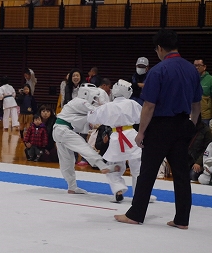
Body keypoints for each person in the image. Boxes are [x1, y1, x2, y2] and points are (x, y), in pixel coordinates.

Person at [114, 29, 202, 229]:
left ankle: (136, 214)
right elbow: (197, 104)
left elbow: (149, 106)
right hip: (183, 124)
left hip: (161, 125)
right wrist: (191, 125)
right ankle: (182, 219)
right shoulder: (191, 70)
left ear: (160, 48)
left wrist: (141, 132)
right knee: (181, 173)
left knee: (148, 171)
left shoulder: (158, 70)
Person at [88, 79, 156, 203]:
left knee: (115, 166)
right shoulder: (132, 103)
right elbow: (143, 117)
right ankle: (141, 195)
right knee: (138, 168)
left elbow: (92, 117)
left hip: (115, 137)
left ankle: (117, 190)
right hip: (131, 135)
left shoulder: (108, 106)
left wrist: (91, 105)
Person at [53, 83, 118, 194]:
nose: (96, 100)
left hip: (60, 131)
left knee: (67, 161)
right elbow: (96, 112)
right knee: (83, 147)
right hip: (63, 130)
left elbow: (87, 119)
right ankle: (102, 165)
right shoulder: (80, 102)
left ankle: (72, 187)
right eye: (95, 98)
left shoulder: (80, 105)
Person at [188, 114, 212, 181]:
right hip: (188, 159)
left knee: (192, 175)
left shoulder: (206, 131)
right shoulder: (186, 128)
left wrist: (199, 162)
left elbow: (207, 150)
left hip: (199, 160)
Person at [194, 58, 212, 126]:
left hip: (206, 116)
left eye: (198, 65)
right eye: (195, 65)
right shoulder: (192, 79)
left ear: (204, 67)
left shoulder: (210, 80)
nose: (196, 67)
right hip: (194, 115)